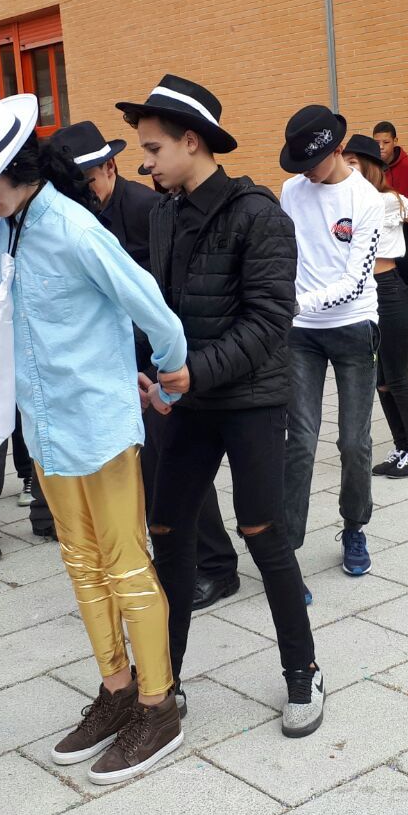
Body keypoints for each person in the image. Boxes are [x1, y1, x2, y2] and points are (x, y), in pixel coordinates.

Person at [0, 91, 188, 784]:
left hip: (98, 424)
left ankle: (159, 705)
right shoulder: (0, 230)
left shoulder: (74, 229)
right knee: (79, 561)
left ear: (9, 166)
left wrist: (168, 379)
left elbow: (154, 310)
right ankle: (117, 689)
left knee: (126, 565)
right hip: (44, 427)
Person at [118, 74, 324, 737]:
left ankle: (303, 670)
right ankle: (163, 684)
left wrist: (191, 373)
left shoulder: (258, 215)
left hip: (251, 402)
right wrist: (153, 375)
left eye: (153, 148)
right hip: (185, 402)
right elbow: (162, 312)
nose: (145, 163)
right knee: (167, 534)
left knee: (262, 533)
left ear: (191, 141)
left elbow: (269, 322)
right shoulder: (163, 213)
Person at [56, 118, 241, 608]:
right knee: (152, 468)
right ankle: (175, 558)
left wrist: (169, 362)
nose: (83, 192)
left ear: (110, 168)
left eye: (89, 181)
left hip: (162, 358)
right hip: (118, 360)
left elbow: (166, 290)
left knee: (178, 465)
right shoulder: (78, 216)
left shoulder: (146, 208)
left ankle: (217, 566)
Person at [278, 105, 382, 575]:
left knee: (354, 442)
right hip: (301, 334)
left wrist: (299, 303)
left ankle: (355, 526)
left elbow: (356, 282)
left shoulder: (366, 200)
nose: (305, 172)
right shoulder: (291, 190)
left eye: (312, 162)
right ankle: (287, 549)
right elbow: (283, 253)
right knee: (300, 439)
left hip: (354, 326)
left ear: (338, 149)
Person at [345, 134, 408, 477]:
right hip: (365, 294)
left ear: (368, 166)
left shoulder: (391, 201)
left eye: (352, 162)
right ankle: (403, 447)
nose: (346, 168)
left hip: (391, 292)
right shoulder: (348, 204)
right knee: (381, 381)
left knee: (397, 378)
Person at [373, 121, 408, 203]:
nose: (381, 147)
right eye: (376, 143)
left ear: (395, 141)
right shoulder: (370, 167)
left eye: (386, 142)